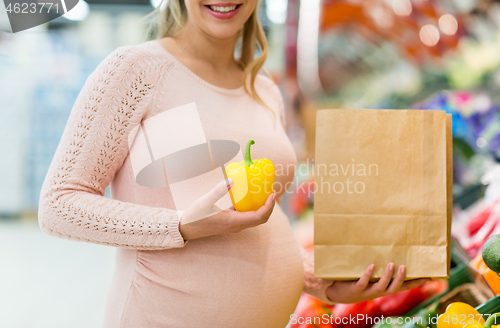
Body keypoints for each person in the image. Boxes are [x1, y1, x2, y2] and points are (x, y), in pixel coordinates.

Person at [38, 0, 430, 327]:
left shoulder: (262, 88)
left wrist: (318, 280)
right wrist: (179, 226)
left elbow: (257, 221)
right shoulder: (137, 69)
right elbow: (58, 203)